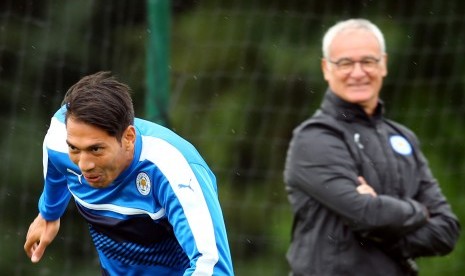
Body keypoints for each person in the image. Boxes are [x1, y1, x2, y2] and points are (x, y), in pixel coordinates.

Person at [284, 18, 460, 275]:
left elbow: (446, 230)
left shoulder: (404, 138)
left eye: (367, 61)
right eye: (345, 63)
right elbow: (364, 214)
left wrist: (381, 224)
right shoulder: (314, 138)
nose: (358, 72)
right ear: (326, 68)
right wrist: (418, 211)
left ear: (383, 64)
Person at [24, 71, 234, 275]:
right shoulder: (59, 142)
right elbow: (55, 166)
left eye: (96, 149)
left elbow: (211, 267)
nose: (84, 165)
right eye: (74, 149)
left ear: (129, 137)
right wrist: (49, 213)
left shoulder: (175, 171)